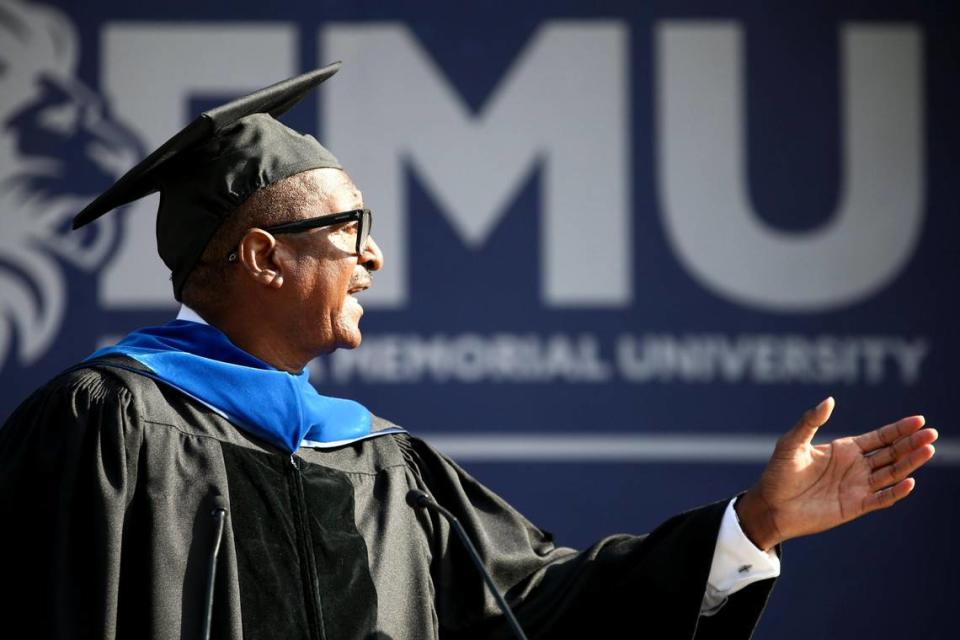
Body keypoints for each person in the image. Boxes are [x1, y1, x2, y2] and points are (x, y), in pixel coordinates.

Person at [0, 63, 938, 640]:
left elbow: (542, 607)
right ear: (263, 257)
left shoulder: (382, 463)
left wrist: (752, 528)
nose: (373, 255)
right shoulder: (104, 431)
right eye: (351, 227)